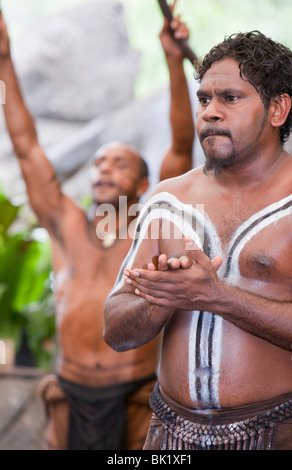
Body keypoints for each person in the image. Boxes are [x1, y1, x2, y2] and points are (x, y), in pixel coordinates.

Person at [0, 5, 194, 450]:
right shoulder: (66, 224)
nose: (103, 170)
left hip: (136, 398)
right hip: (70, 394)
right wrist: (4, 60)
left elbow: (182, 143)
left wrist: (171, 60)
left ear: (144, 183)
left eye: (119, 163)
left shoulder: (153, 223)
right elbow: (26, 145)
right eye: (98, 163)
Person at [104, 30, 292, 451]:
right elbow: (115, 331)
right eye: (204, 99)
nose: (210, 112)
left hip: (280, 431)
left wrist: (217, 297)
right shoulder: (166, 200)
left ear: (278, 108)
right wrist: (163, 297)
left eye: (230, 98)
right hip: (167, 434)